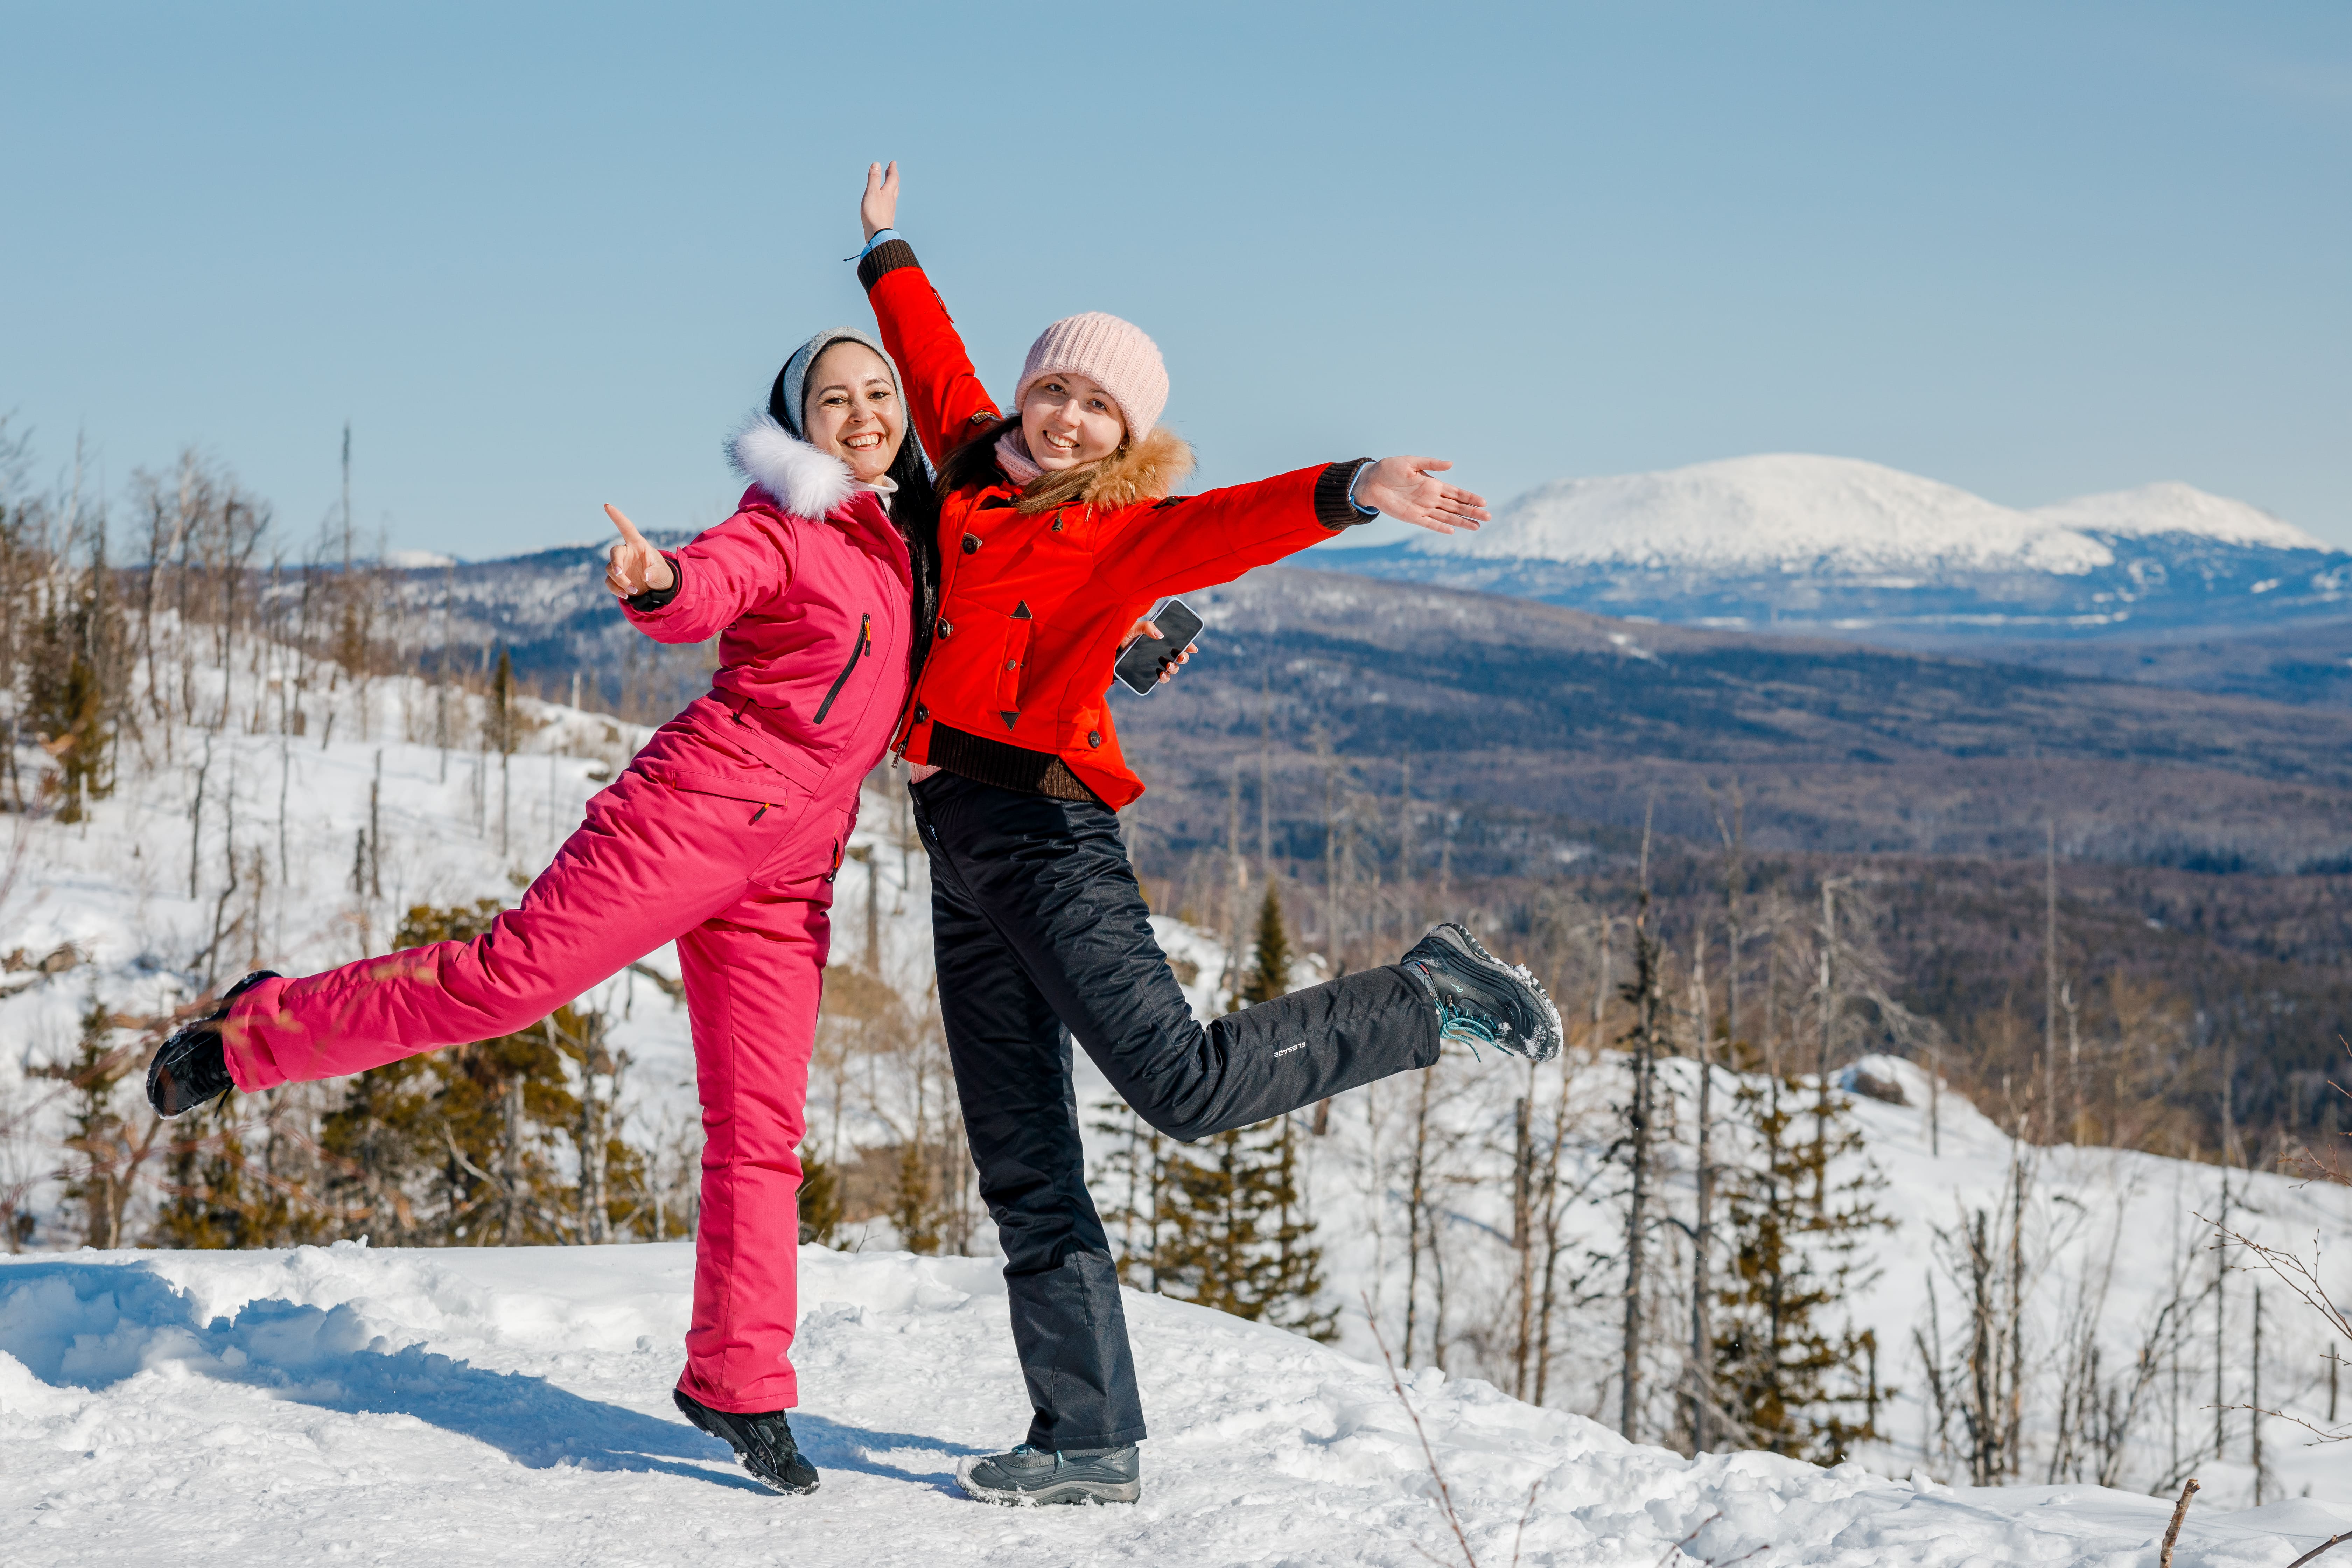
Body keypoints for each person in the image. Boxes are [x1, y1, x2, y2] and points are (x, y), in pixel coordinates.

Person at [852, 162, 1564, 1507]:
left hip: (1051, 838)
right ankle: (1085, 1438)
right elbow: (926, 348)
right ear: (1029, 389)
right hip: (956, 837)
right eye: (1057, 389)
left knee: (1184, 1088)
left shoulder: (1123, 534)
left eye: (1099, 408)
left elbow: (1235, 528)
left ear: (1125, 437)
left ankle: (1429, 998)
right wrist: (885, 243)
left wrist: (1354, 485)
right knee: (1023, 1158)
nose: (1067, 418)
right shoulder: (959, 459)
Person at [142, 324, 943, 1497]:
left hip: (794, 871)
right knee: (504, 982)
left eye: (880, 392)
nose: (864, 412)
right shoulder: (782, 525)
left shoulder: (912, 546)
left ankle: (738, 1383)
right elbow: (708, 584)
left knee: (763, 1133)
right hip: (693, 814)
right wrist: (660, 582)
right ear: (797, 426)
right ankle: (253, 1032)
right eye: (835, 399)